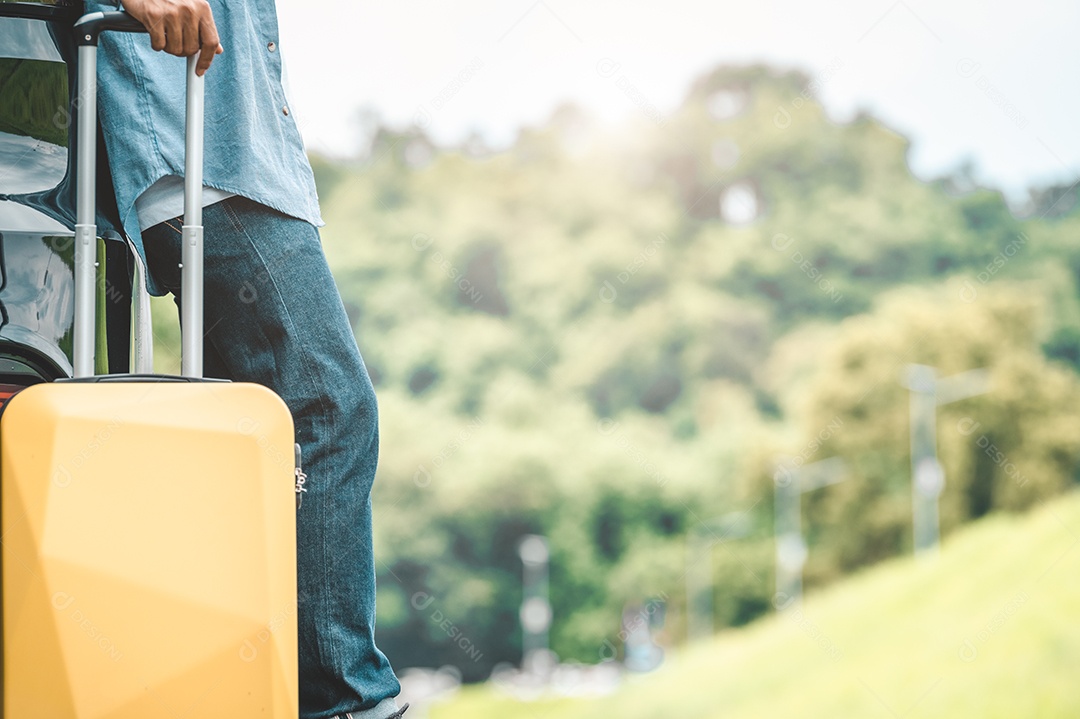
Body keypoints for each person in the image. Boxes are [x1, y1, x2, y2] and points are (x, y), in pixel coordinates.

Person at [87, 1, 408, 717]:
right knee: (328, 408)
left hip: (236, 155)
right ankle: (345, 700)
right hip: (203, 157)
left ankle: (253, 686)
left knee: (246, 452)